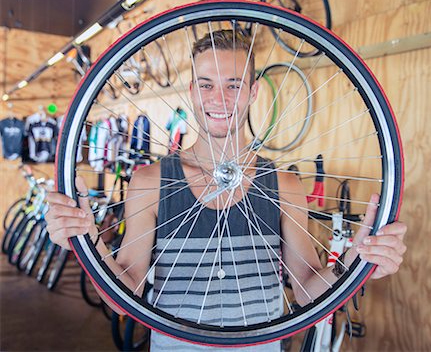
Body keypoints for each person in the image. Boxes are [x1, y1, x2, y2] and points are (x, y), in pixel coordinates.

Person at [45, 30, 407, 351]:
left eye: (234, 84)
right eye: (206, 84)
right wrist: (87, 238)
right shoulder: (150, 182)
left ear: (252, 92)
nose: (219, 99)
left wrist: (355, 264)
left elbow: (307, 289)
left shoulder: (285, 186)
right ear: (191, 92)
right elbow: (125, 298)